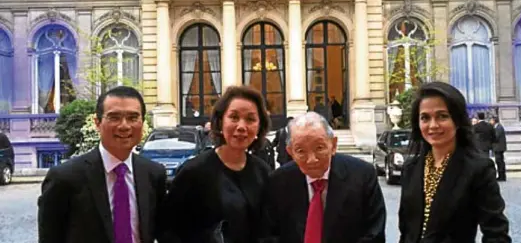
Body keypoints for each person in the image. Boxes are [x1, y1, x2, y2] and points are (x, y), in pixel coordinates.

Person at [38, 86, 167, 243]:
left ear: (143, 123)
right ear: (97, 123)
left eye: (133, 118)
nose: (124, 126)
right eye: (114, 118)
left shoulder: (153, 174)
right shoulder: (65, 177)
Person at [398, 82, 511, 243]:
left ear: (457, 120)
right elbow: (406, 230)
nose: (433, 125)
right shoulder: (411, 168)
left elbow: (496, 233)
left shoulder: (477, 169)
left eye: (442, 116)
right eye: (425, 118)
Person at [161, 86, 272, 243]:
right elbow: (168, 230)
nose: (241, 127)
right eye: (234, 117)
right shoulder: (194, 171)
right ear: (220, 123)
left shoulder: (264, 172)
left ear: (259, 127)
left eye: (250, 119)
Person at [260, 112, 386, 243]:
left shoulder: (362, 175)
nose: (312, 160)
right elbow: (269, 235)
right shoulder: (278, 181)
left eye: (319, 148)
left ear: (333, 145)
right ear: (290, 152)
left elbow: (374, 234)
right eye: (301, 151)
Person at [490, 116, 507, 181]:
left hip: (499, 148)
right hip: (498, 147)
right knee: (499, 162)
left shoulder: (499, 128)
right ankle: (501, 175)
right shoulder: (497, 127)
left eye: (491, 120)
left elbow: (496, 137)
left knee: (499, 162)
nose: (490, 122)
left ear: (494, 121)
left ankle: (502, 176)